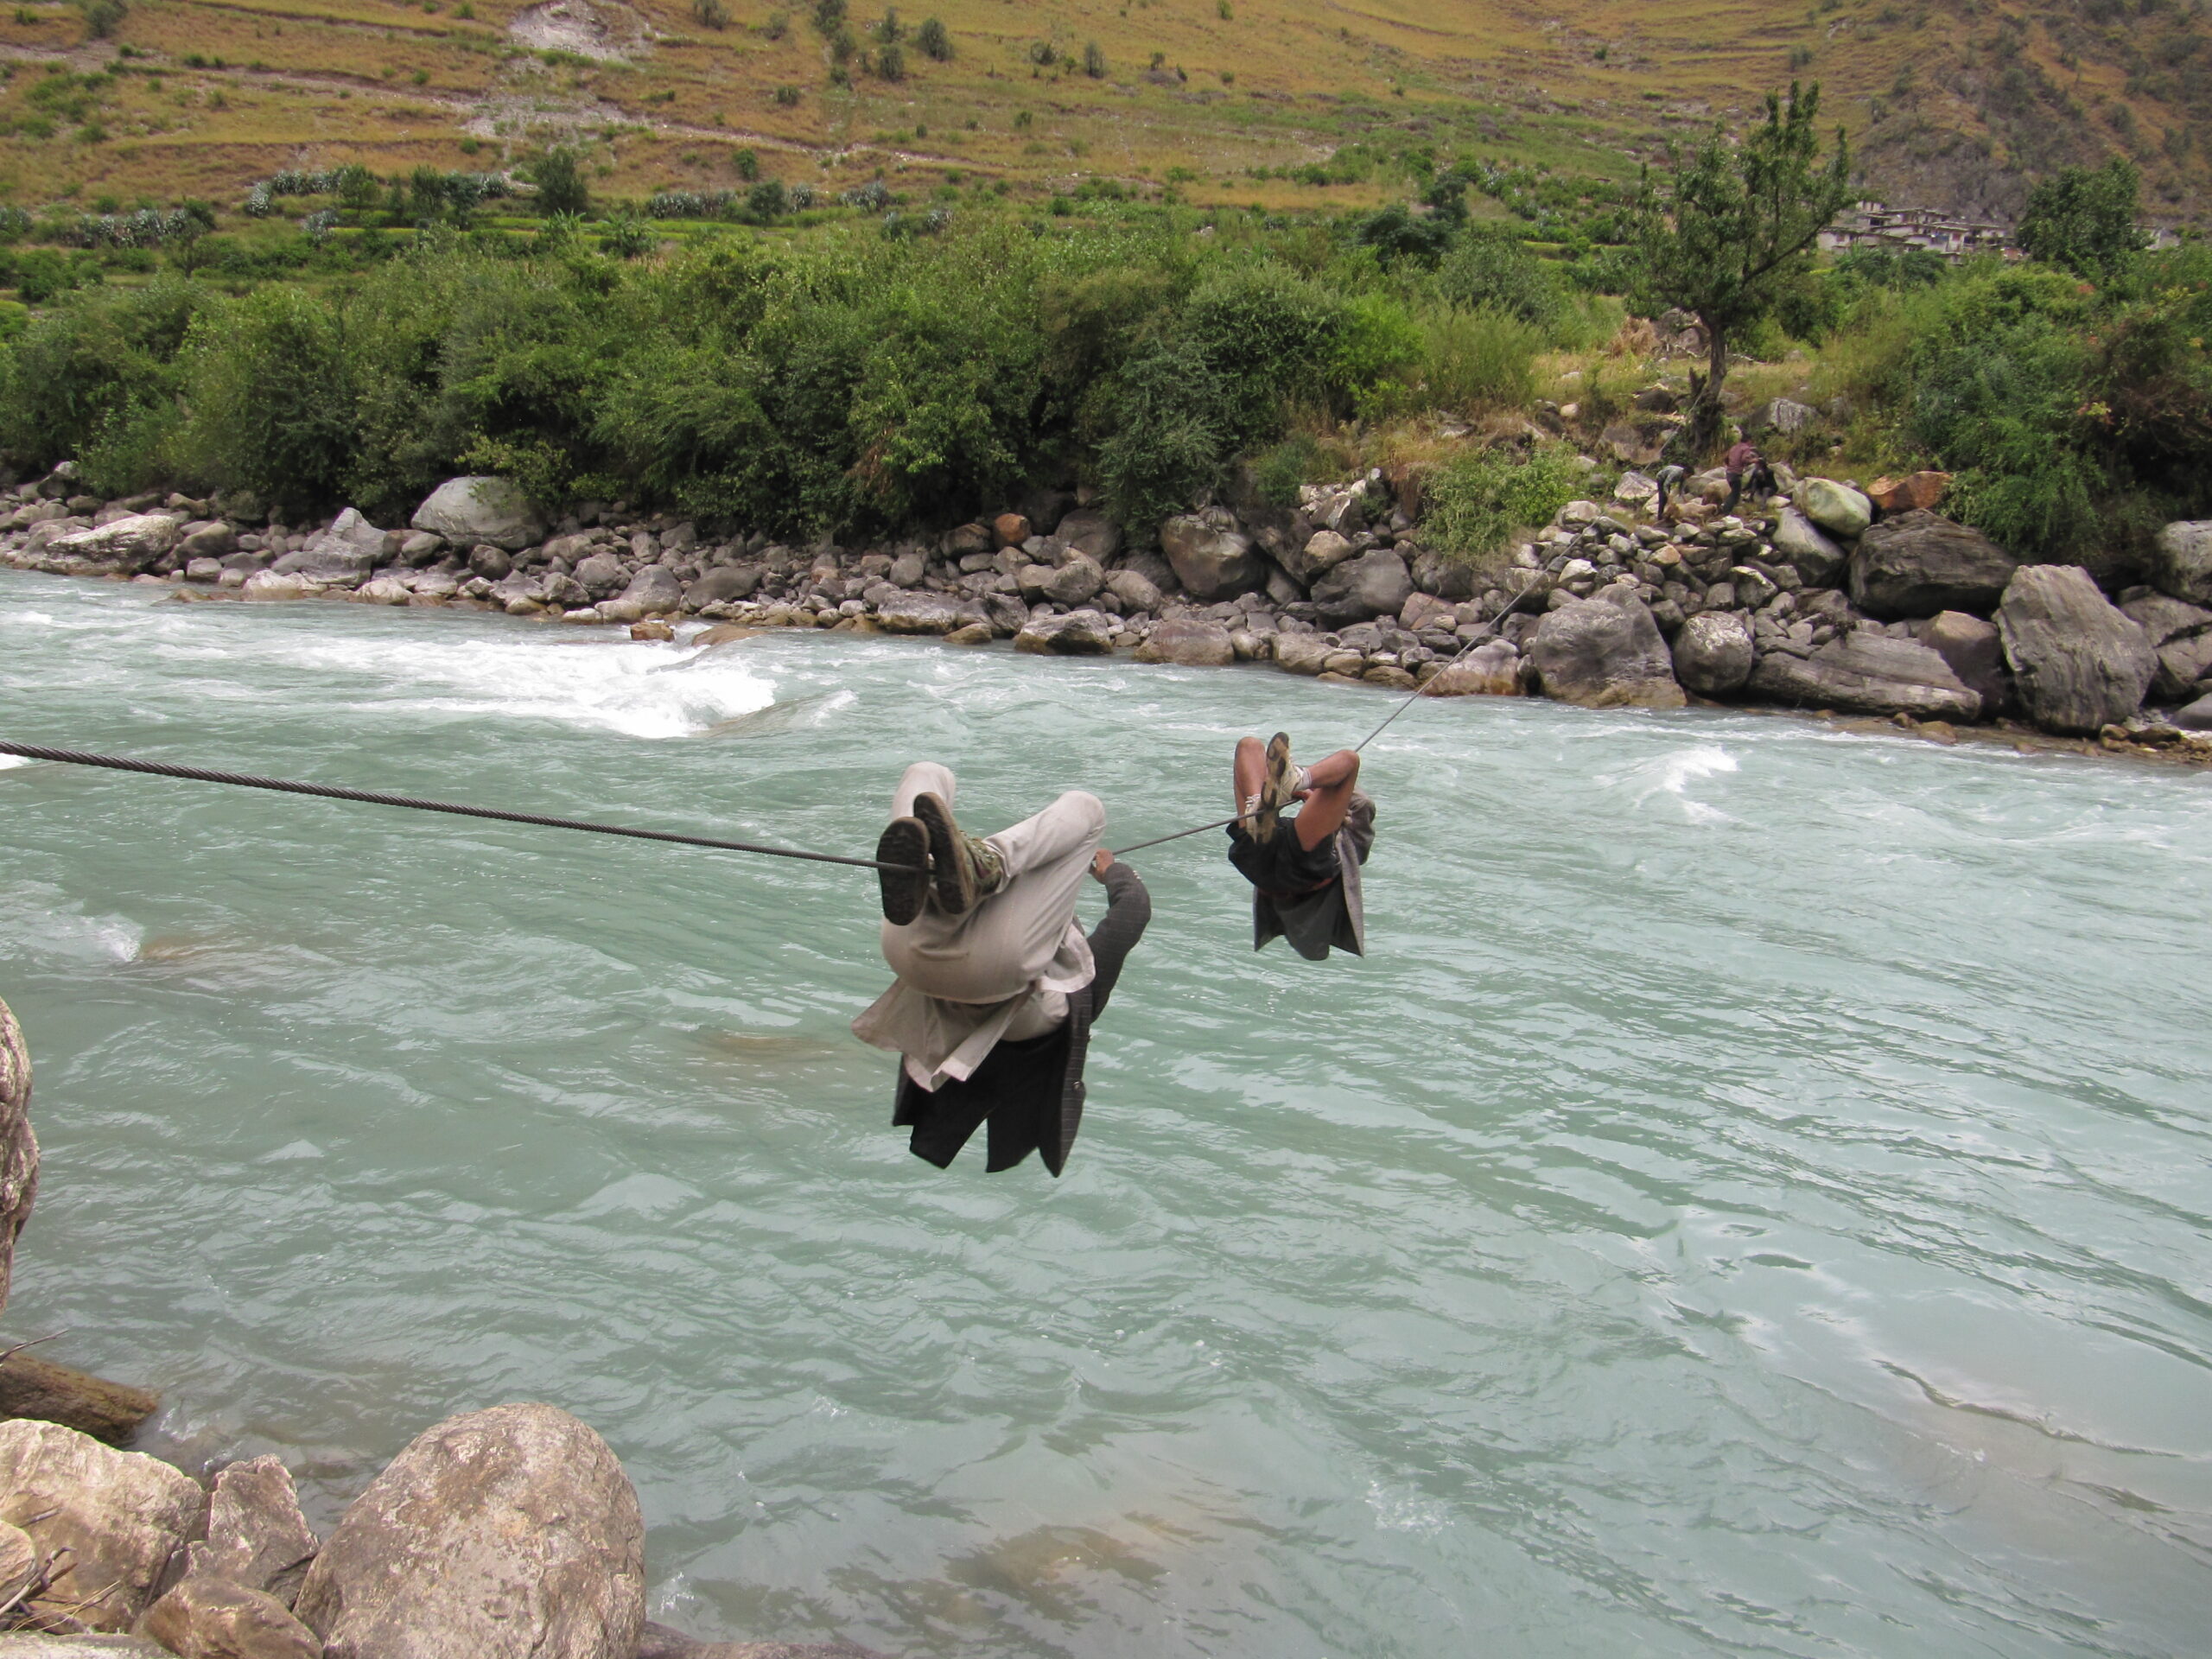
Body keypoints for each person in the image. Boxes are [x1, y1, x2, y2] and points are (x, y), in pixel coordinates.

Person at [853, 764, 1150, 1176]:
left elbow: (1134, 910)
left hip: (980, 970)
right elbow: (1130, 910)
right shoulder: (1038, 946)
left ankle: (979, 859)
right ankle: (946, 863)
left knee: (1087, 809)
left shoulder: (1053, 959)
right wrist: (1112, 871)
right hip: (913, 960)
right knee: (930, 774)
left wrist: (1111, 870)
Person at [1223, 733, 1375, 962]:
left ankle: (1284, 787)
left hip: (1295, 869)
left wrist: (1308, 792)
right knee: (1250, 745)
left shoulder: (1353, 815)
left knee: (1350, 760)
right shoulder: (1332, 829)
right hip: (1270, 870)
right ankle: (1260, 803)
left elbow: (1346, 793)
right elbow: (1331, 798)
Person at [1722, 439, 1777, 514]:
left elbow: (1771, 484)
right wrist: (1745, 489)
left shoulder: (1769, 471)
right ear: (1749, 441)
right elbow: (1745, 460)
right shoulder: (1745, 448)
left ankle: (1762, 506)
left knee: (1735, 493)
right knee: (1734, 494)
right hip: (1736, 474)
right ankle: (1726, 511)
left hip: (1768, 487)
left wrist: (1730, 466)